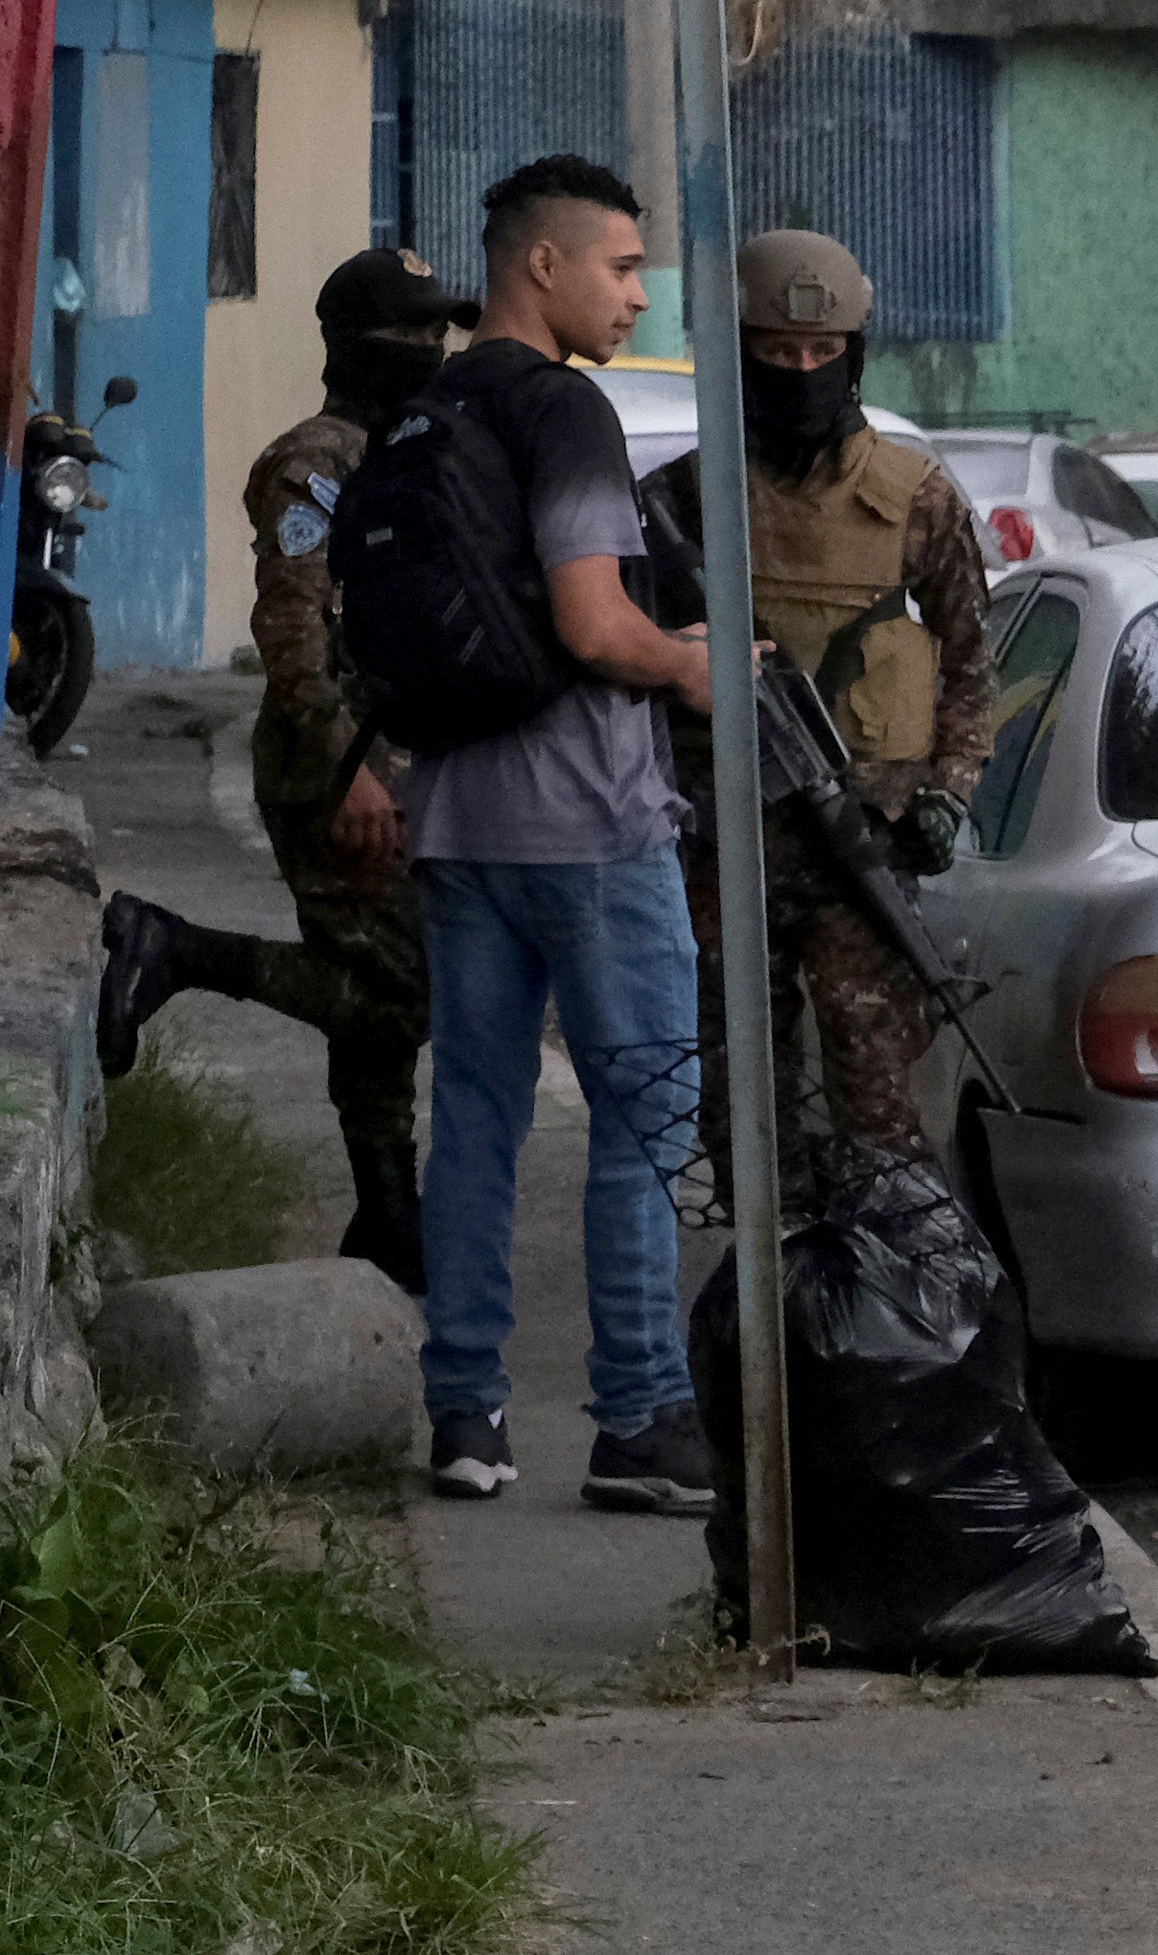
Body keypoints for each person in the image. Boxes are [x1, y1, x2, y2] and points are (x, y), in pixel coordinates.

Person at [395, 155, 722, 1515]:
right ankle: (639, 1415)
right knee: (645, 1117)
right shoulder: (565, 411)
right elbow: (594, 626)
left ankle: (465, 1414)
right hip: (588, 822)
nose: (637, 295)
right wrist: (691, 661)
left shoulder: (428, 405)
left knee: (472, 1112)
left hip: (458, 815)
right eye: (622, 267)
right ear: (543, 265)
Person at [89, 246, 475, 1286]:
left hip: (407, 760)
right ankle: (176, 947)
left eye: (440, 332)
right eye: (411, 333)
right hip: (337, 764)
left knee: (373, 988)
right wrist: (350, 769)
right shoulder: (316, 461)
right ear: (355, 345)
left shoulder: (417, 446)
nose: (430, 351)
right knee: (406, 993)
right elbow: (294, 626)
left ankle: (388, 1217)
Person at [642, 228, 991, 1167]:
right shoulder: (679, 502)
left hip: (859, 853)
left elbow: (970, 665)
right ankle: (774, 1302)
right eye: (778, 353)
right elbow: (619, 671)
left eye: (822, 353)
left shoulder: (918, 500)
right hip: (719, 856)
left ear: (854, 353)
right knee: (737, 1125)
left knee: (880, 1119)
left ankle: (883, 1295)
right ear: (739, 353)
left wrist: (948, 793)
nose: (802, 370)